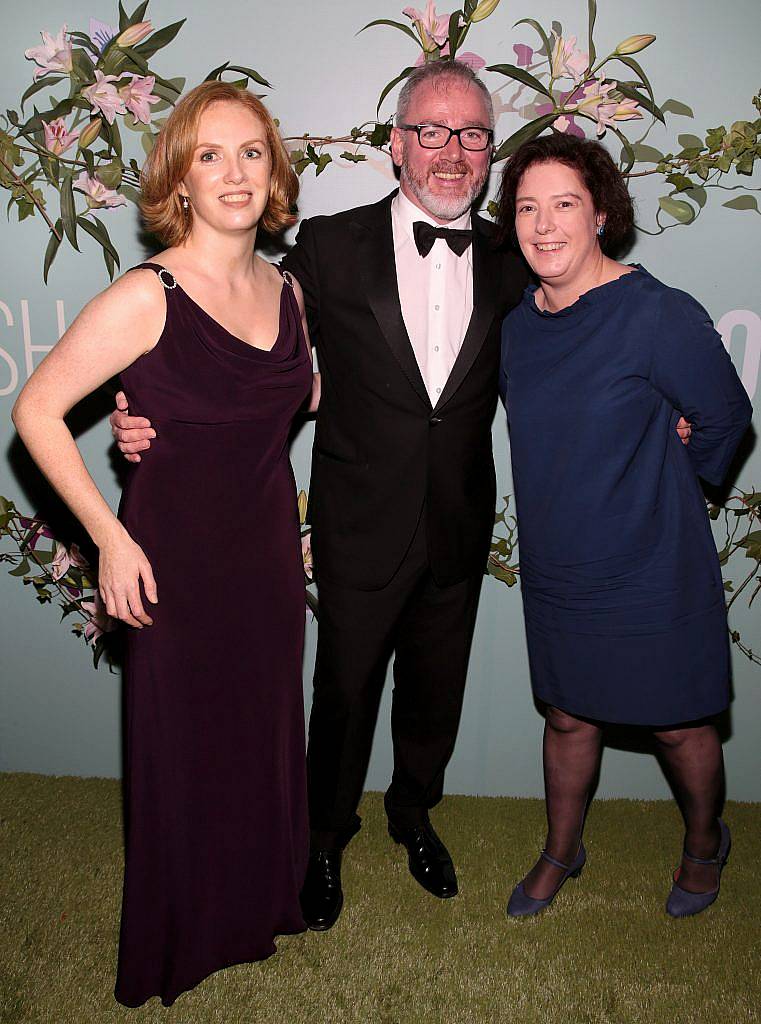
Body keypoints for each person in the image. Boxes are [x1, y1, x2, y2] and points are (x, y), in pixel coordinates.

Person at [111, 60, 529, 929]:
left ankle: (412, 815)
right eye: (430, 132)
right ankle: (323, 841)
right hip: (356, 525)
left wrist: (657, 415)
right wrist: (142, 403)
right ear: (396, 146)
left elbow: (574, 339)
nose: (450, 153)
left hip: (456, 521)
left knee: (433, 695)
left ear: (489, 150)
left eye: (472, 134)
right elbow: (228, 321)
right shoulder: (329, 248)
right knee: (340, 697)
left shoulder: (513, 252)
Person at [13, 81, 318, 1005]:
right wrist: (107, 534)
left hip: (264, 559)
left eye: (251, 152)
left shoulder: (288, 288)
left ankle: (258, 907)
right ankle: (178, 938)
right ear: (179, 178)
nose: (233, 173)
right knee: (183, 751)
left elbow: (292, 414)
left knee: (260, 741)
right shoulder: (149, 293)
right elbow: (34, 411)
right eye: (210, 155)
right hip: (170, 561)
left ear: (273, 173)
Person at [496, 132, 752, 919]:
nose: (543, 225)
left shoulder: (656, 313)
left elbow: (724, 415)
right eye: (527, 207)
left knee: (679, 724)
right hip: (559, 562)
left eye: (563, 204)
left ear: (601, 212)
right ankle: (560, 850)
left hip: (651, 562)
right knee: (567, 713)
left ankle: (704, 842)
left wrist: (679, 475)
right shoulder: (516, 326)